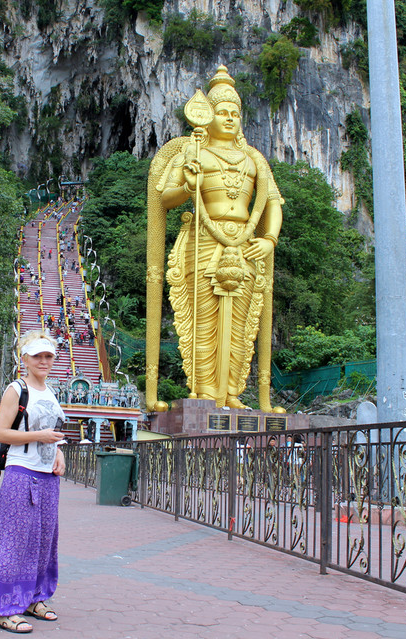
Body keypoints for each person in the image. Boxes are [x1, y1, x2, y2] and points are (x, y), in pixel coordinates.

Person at [146, 65, 283, 412]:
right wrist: (188, 185)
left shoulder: (254, 159)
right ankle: (206, 390)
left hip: (247, 242)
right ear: (206, 117)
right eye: (221, 112)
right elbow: (164, 197)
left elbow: (272, 203)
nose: (229, 118)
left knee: (242, 320)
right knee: (204, 317)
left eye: (235, 114)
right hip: (204, 240)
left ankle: (233, 392)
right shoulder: (193, 153)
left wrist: (270, 239)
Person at [0, 330, 66, 634]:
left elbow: (53, 433)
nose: (44, 361)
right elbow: (1, 434)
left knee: (44, 540)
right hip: (22, 473)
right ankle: (5, 609)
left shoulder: (50, 391)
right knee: (15, 541)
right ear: (25, 359)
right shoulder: (16, 389)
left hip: (48, 477)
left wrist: (58, 453)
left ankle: (35, 599)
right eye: (38, 356)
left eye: (48, 356)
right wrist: (38, 437)